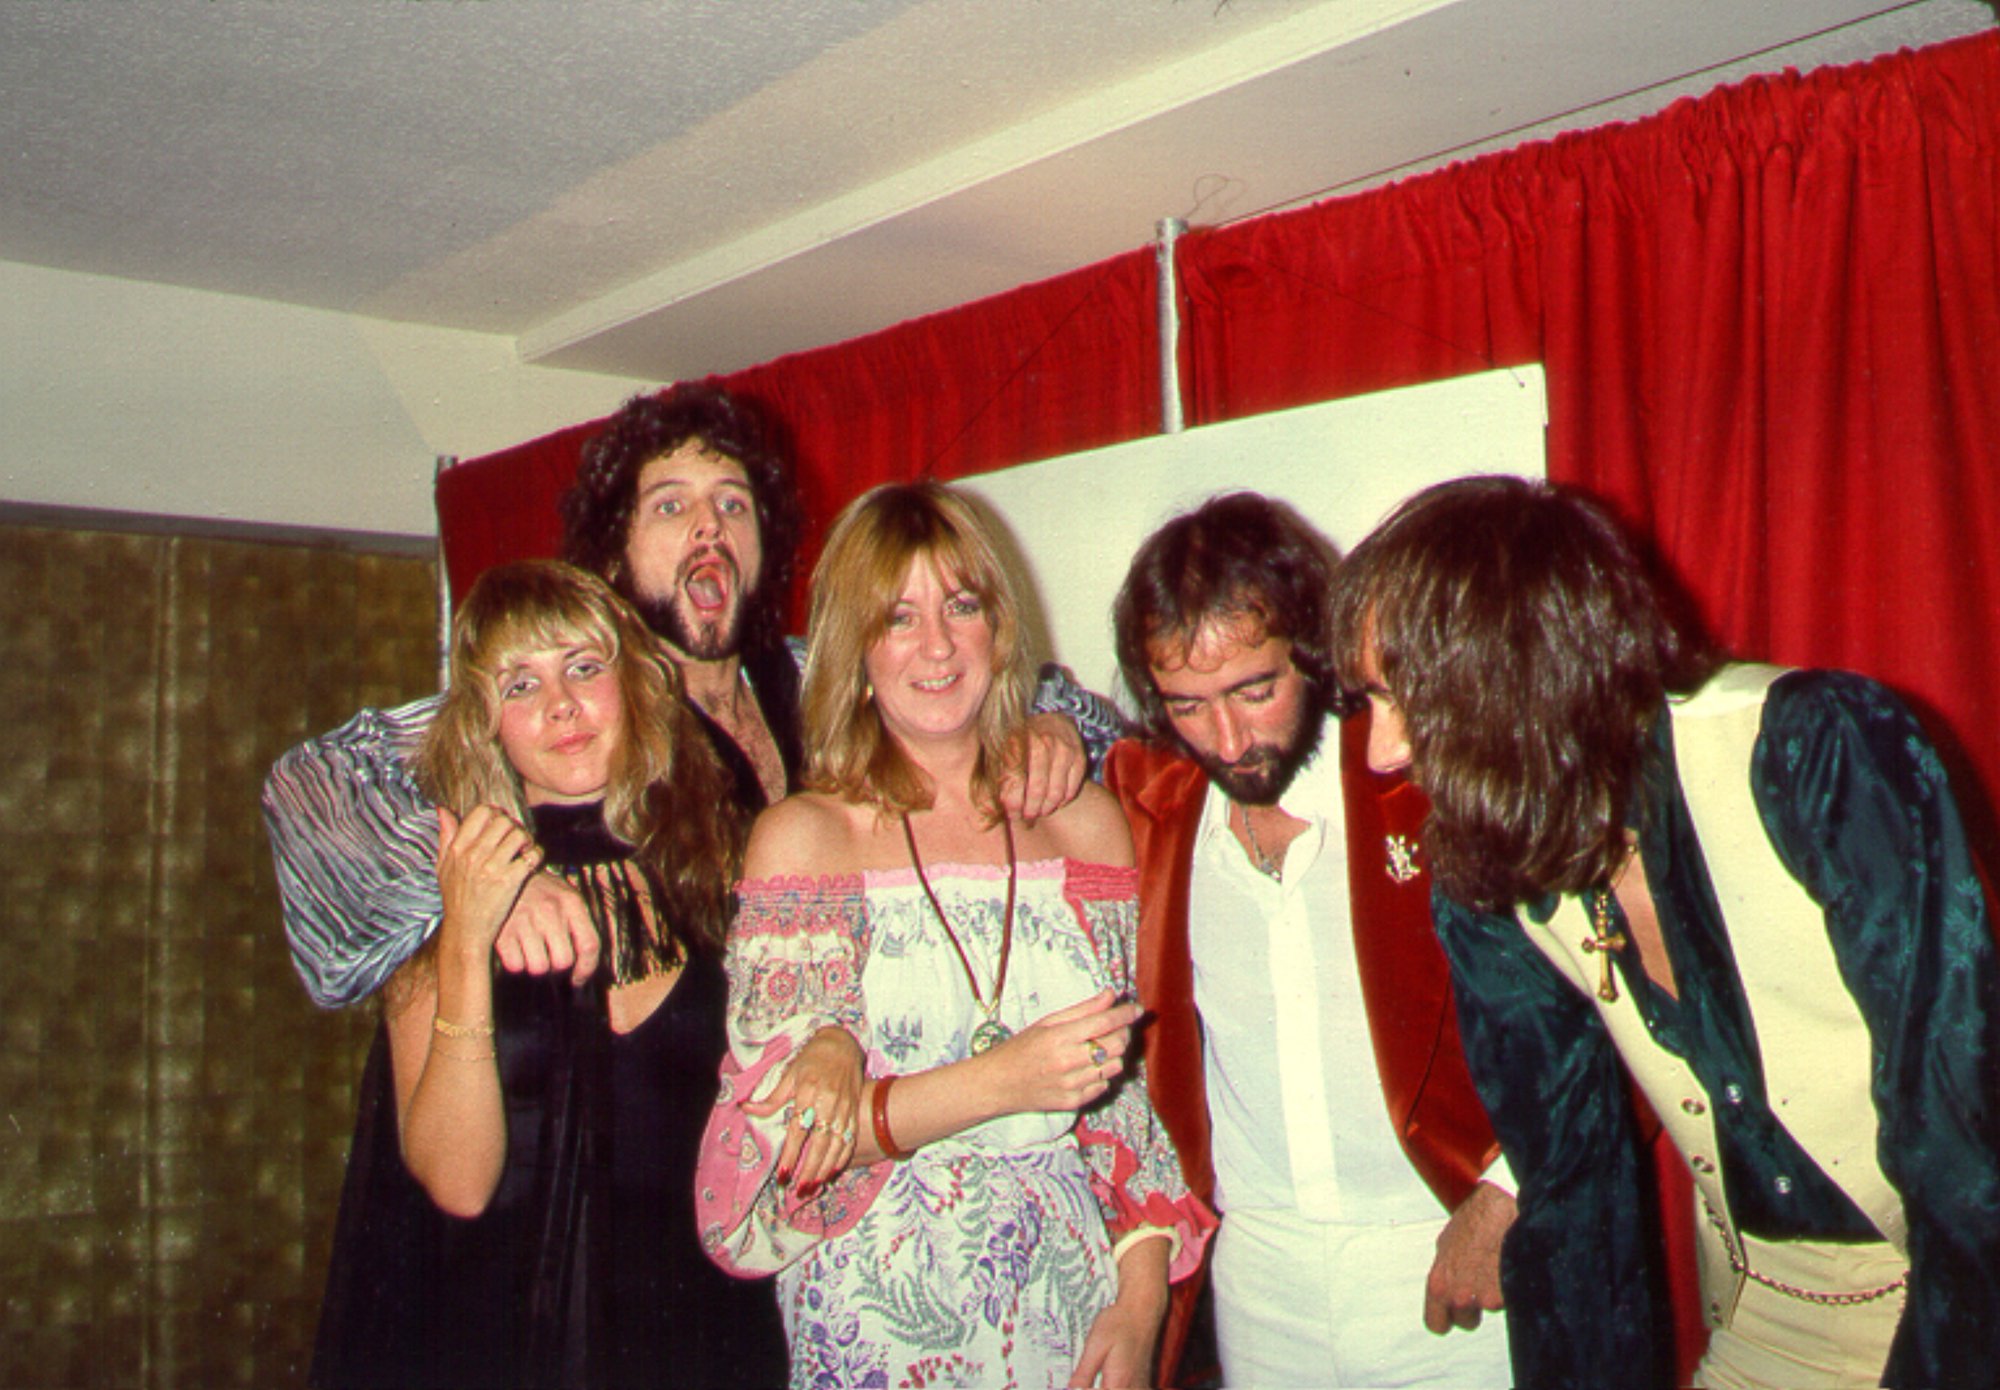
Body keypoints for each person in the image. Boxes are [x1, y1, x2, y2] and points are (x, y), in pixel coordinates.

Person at [1332, 474, 2000, 1390]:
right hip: (1771, 1313)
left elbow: (1965, 1146)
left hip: (1965, 1288)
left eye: (1404, 698)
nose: (1382, 752)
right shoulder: (1482, 877)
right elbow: (1573, 1204)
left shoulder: (1819, 748)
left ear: (1518, 670)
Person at [264, 382, 1113, 1011]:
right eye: (671, 506)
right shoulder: (578, 706)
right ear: (612, 555)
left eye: (732, 505)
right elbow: (308, 789)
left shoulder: (819, 677)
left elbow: (1030, 697)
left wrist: (1049, 727)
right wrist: (490, 881)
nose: (710, 528)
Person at [696, 482, 1214, 1390]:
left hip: (1073, 1300)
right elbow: (790, 1143)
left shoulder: (1086, 825)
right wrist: (1003, 1080)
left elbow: (1123, 1108)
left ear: (998, 630)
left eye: (961, 606)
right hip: (877, 1313)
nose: (936, 645)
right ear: (855, 649)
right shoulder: (804, 838)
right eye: (898, 617)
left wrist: (1139, 1312)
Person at [310, 560, 788, 1389]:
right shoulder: (427, 890)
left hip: (699, 1336)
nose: (560, 705)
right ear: (484, 721)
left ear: (634, 683)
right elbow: (457, 1185)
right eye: (520, 683)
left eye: (583, 668)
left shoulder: (711, 864)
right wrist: (466, 932)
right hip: (504, 1342)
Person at [1101, 492, 1514, 1388]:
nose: (1229, 739)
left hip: (1447, 1251)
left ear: (1315, 654)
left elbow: (1601, 990)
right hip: (1258, 1280)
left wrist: (1509, 1194)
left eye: (1256, 690)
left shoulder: (1424, 784)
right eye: (1187, 705)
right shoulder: (1151, 811)